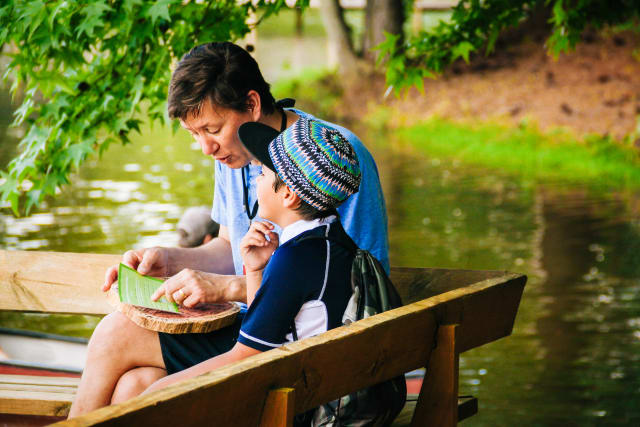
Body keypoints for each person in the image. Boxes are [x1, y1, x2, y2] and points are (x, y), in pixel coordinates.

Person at [68, 41, 387, 417]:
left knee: (114, 336)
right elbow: (229, 247)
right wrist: (167, 260)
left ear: (251, 105)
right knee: (132, 386)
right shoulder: (230, 154)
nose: (206, 148)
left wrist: (227, 286)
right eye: (193, 133)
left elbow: (357, 284)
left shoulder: (329, 159)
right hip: (253, 328)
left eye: (211, 128)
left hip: (295, 353)